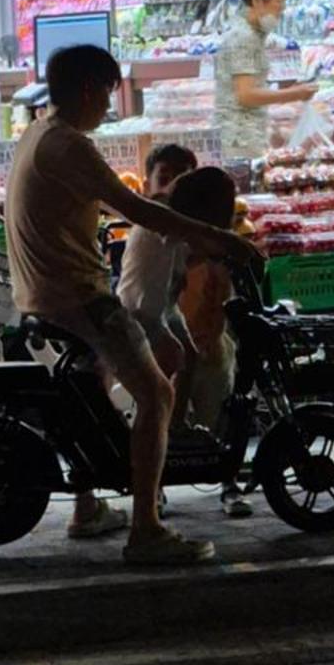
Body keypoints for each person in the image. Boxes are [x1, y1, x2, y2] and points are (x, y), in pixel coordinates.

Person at [4, 43, 261, 567]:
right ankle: (146, 527)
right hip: (76, 294)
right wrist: (220, 237)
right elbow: (138, 209)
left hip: (44, 292)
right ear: (87, 90)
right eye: (106, 93)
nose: (109, 106)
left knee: (93, 397)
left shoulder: (38, 134)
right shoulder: (71, 146)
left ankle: (87, 509)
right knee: (157, 394)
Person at [121, 167, 253, 518]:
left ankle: (177, 427)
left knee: (189, 357)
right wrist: (230, 244)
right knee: (172, 363)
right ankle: (162, 447)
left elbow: (197, 246)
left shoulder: (171, 215)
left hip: (164, 305)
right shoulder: (166, 219)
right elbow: (201, 237)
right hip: (145, 308)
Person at [214, 0, 318, 164]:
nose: (282, 8)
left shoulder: (254, 35)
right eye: (279, 1)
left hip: (247, 135)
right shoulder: (243, 38)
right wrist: (296, 94)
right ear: (257, 2)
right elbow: (246, 95)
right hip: (239, 141)